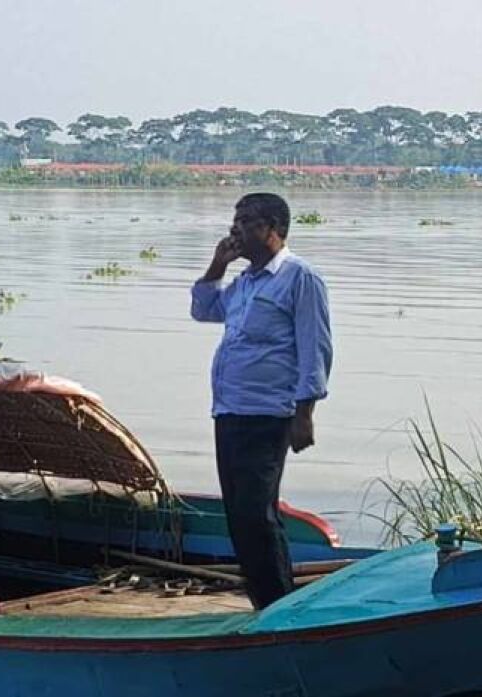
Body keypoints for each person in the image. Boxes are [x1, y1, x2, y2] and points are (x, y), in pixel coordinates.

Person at [189, 192, 332, 609]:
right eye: (235, 220)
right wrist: (218, 265)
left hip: (268, 414)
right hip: (230, 410)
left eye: (247, 221)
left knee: (256, 514)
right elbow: (204, 310)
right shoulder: (245, 282)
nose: (236, 229)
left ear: (274, 229)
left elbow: (315, 347)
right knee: (238, 516)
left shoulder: (300, 277)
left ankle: (278, 605)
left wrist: (304, 413)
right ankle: (263, 603)